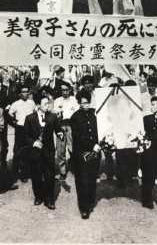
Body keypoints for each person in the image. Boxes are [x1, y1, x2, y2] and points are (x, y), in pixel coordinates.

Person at [23, 93, 64, 208]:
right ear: (38, 105)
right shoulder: (30, 118)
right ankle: (38, 196)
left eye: (48, 103)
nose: (48, 106)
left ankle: (50, 199)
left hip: (48, 151)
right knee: (36, 175)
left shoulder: (53, 117)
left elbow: (58, 129)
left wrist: (60, 133)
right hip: (35, 152)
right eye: (45, 104)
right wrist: (33, 142)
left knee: (49, 175)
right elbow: (25, 136)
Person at [70, 89, 101, 219]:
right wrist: (91, 145)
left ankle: (90, 201)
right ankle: (84, 208)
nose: (86, 105)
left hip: (95, 152)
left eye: (88, 102)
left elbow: (99, 130)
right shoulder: (75, 117)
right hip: (81, 154)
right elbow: (78, 137)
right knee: (82, 180)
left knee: (92, 177)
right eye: (83, 103)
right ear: (79, 103)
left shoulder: (95, 115)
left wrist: (99, 144)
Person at [8, 86, 36, 182]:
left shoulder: (32, 103)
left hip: (30, 129)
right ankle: (15, 173)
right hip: (20, 128)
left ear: (29, 93)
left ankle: (26, 173)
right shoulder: (15, 104)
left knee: (29, 150)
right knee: (18, 150)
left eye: (27, 92)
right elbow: (10, 113)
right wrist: (15, 121)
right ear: (20, 94)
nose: (25, 94)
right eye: (23, 92)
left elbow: (35, 112)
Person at [54, 82, 79, 180]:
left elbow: (76, 112)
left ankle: (75, 167)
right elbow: (55, 114)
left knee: (72, 147)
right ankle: (62, 171)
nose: (64, 92)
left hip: (71, 125)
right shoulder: (57, 101)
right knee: (60, 149)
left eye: (66, 90)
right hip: (60, 126)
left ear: (70, 90)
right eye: (62, 90)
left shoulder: (74, 100)